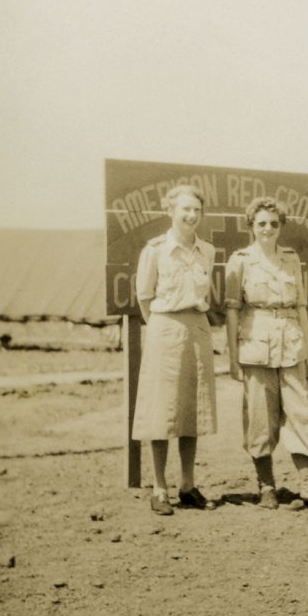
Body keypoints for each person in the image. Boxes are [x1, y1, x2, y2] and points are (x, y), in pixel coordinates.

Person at [225, 197, 308, 512]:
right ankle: (266, 486)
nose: (268, 229)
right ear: (251, 226)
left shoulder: (290, 259)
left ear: (281, 226)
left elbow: (301, 306)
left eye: (274, 224)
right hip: (256, 345)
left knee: (300, 413)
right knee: (260, 418)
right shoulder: (241, 260)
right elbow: (233, 312)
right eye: (261, 223)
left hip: (291, 345)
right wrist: (233, 357)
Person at [131, 185, 218, 516]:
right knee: (162, 411)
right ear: (170, 211)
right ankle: (159, 488)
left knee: (191, 410)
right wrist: (163, 327)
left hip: (197, 328)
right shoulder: (155, 250)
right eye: (185, 209)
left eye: (197, 209)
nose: (192, 215)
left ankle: (188, 484)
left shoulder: (207, 251)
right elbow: (144, 298)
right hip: (164, 328)